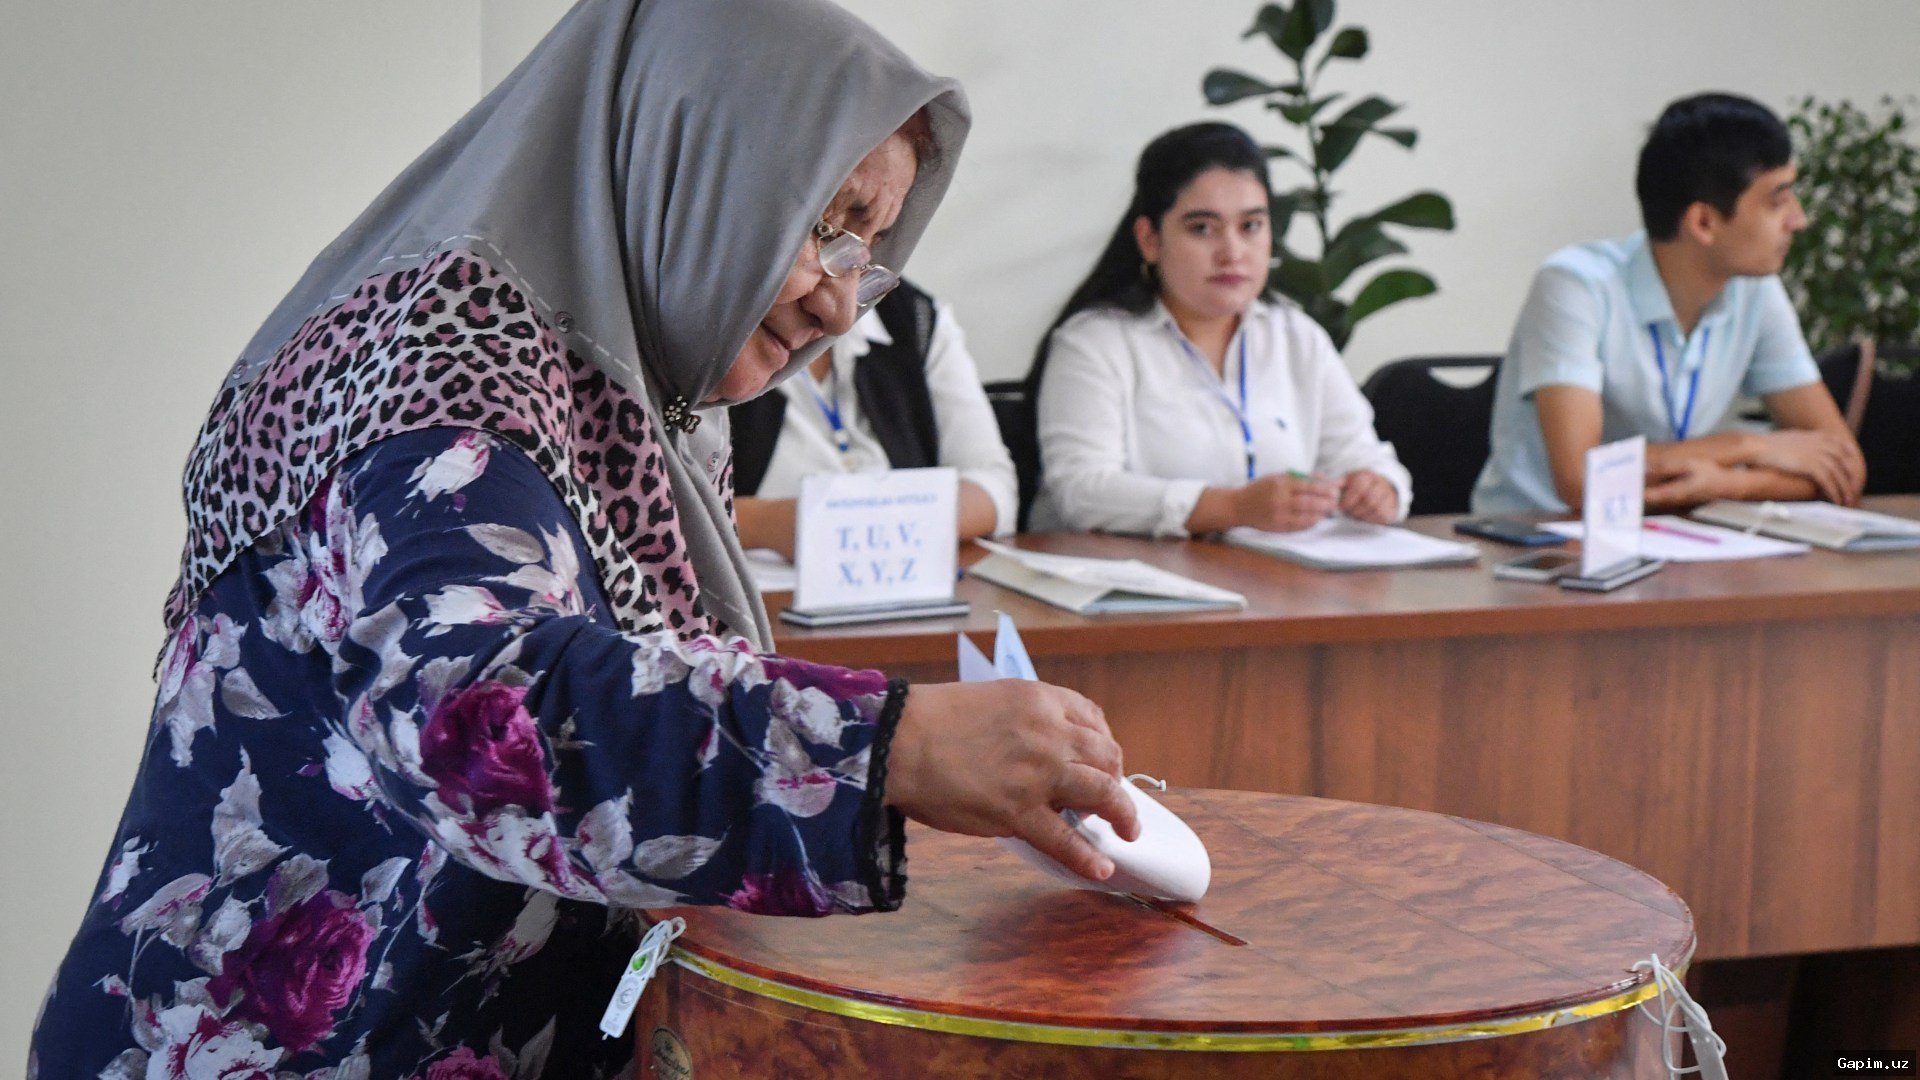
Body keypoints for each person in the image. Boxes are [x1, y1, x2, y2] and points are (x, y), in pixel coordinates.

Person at [28, 2, 1137, 1075]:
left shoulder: (632, 387)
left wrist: (903, 779)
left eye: (868, 248)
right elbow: (481, 711)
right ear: (687, 153)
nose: (841, 305)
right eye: (823, 224)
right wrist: (893, 751)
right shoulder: (447, 382)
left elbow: (658, 670)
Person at [1472, 92, 1865, 515]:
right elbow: (1584, 481)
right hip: (1537, 542)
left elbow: (1845, 465)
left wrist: (1726, 484)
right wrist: (1746, 446)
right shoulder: (1575, 286)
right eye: (1776, 199)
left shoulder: (1755, 290)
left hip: (1670, 539)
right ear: (1703, 222)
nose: (1798, 219)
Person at [1029, 121, 1410, 539]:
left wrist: (1378, 488)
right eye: (1203, 229)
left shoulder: (1296, 336)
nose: (1232, 252)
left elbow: (1361, 454)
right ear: (1150, 240)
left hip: (1279, 587)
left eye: (1250, 227)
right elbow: (1083, 492)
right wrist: (1234, 507)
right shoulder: (1094, 343)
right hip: (1129, 588)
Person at [729, 278, 1017, 559]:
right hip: (747, 591)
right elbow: (684, 506)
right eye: (826, 234)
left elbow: (994, 484)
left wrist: (876, 524)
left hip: (896, 585)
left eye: (877, 236)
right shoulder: (717, 322)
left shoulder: (911, 317)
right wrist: (766, 523)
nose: (855, 256)